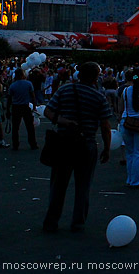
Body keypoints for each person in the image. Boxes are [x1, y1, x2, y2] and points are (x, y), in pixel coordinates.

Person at [42, 62, 111, 232]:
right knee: (83, 186)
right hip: (86, 143)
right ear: (96, 77)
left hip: (63, 141)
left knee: (58, 184)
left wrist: (62, 120)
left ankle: (51, 220)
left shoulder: (64, 90)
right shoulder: (98, 97)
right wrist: (107, 148)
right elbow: (105, 126)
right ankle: (78, 221)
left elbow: (48, 112)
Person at [120, 69, 139, 187]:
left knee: (130, 152)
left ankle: (130, 178)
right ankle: (137, 180)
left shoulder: (125, 91)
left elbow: (121, 107)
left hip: (126, 122)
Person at [8, 68, 38, 151]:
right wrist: (35, 106)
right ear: (22, 74)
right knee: (30, 127)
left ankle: (15, 144)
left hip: (16, 106)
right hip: (25, 106)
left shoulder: (13, 85)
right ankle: (33, 143)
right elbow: (33, 96)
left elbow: (9, 98)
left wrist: (7, 109)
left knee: (15, 127)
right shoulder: (28, 84)